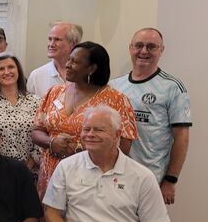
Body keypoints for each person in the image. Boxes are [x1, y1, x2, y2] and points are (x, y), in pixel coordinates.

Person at [44, 105, 169, 222]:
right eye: (86, 129)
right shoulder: (67, 167)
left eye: (98, 129)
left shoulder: (142, 176)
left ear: (117, 135)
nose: (90, 134)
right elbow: (51, 214)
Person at [31, 41, 137, 199]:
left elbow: (124, 146)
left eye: (74, 62)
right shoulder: (53, 92)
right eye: (69, 59)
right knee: (50, 219)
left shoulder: (116, 100)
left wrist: (79, 151)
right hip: (50, 176)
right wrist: (52, 142)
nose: (67, 65)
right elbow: (37, 131)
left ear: (92, 68)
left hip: (90, 178)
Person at [110, 28, 191, 204]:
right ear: (130, 48)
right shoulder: (115, 86)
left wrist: (170, 180)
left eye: (151, 46)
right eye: (139, 45)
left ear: (161, 50)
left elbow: (182, 138)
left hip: (152, 177)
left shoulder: (173, 88)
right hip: (115, 174)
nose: (144, 51)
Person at [0, 53, 40, 171]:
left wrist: (31, 162)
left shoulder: (36, 102)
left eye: (11, 67)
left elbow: (44, 133)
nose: (7, 72)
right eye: (1, 69)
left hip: (30, 171)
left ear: (18, 70)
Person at [27, 21, 83, 98]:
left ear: (73, 44)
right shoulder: (36, 76)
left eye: (57, 39)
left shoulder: (87, 73)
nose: (51, 44)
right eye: (50, 39)